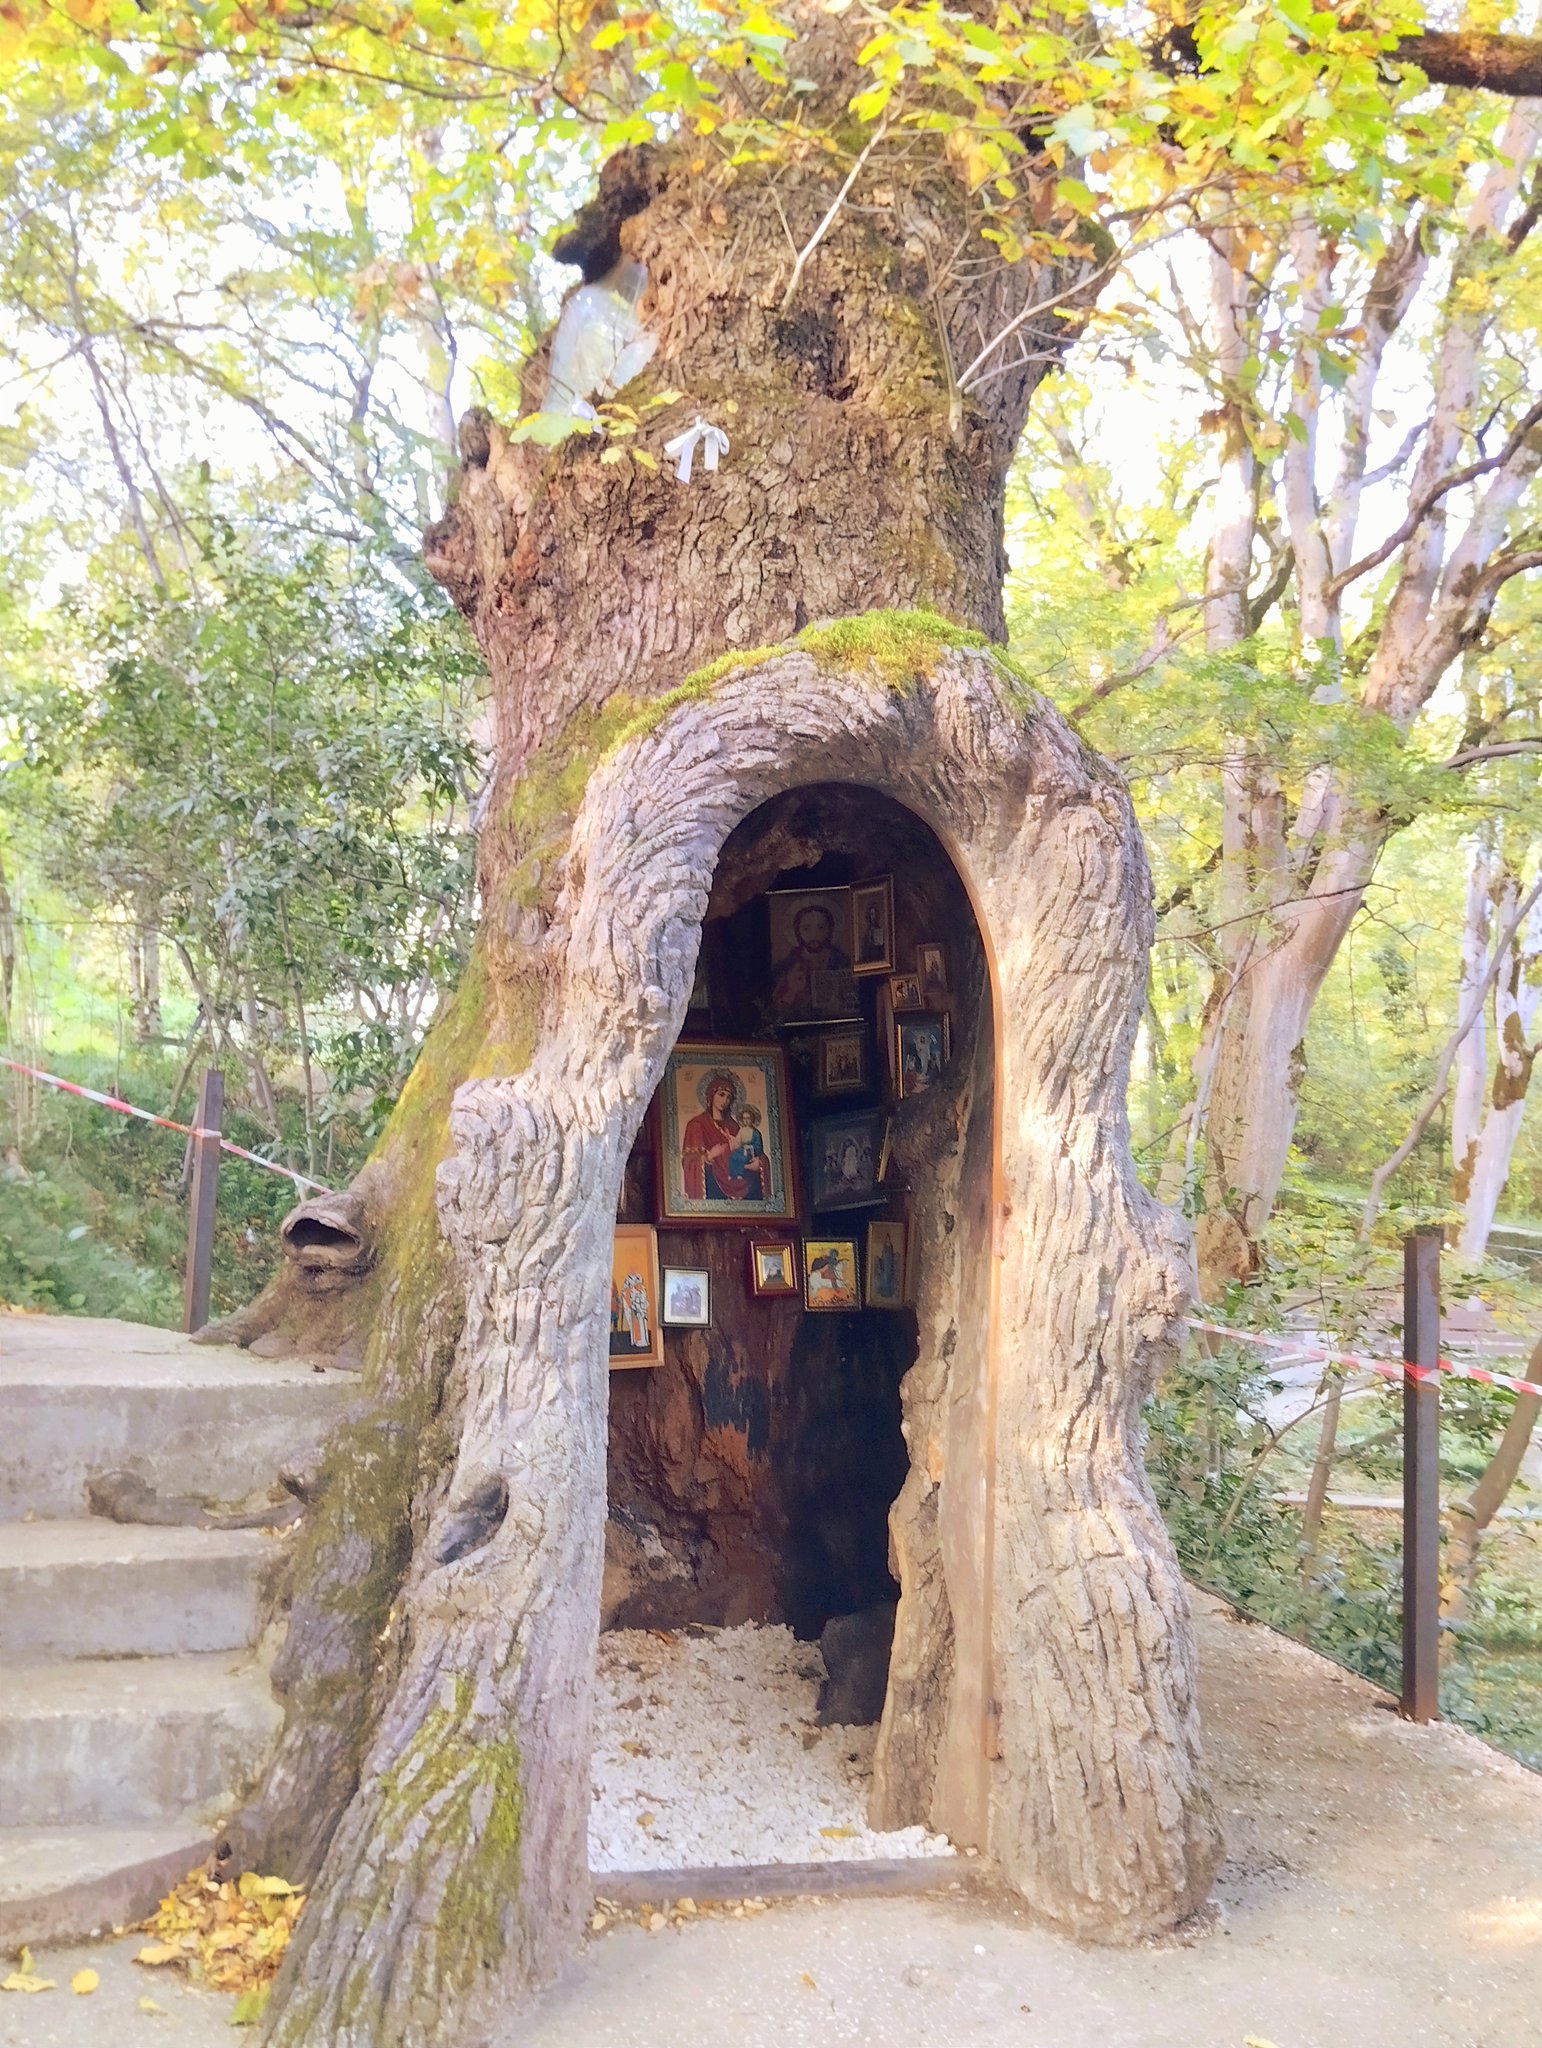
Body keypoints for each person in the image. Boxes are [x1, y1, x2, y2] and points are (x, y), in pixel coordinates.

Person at [681, 1071, 753, 1201]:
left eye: (729, 1097)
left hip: (735, 1178)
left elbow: (747, 1153)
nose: (725, 1101)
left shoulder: (734, 1127)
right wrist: (709, 1156)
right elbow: (688, 1162)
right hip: (713, 1183)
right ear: (711, 1095)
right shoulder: (696, 1124)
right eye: (721, 1095)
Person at [772, 901, 850, 1014]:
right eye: (806, 928)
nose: (814, 935)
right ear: (797, 931)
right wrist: (792, 990)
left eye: (821, 928)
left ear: (830, 930)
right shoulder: (786, 967)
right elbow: (775, 1011)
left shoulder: (842, 962)